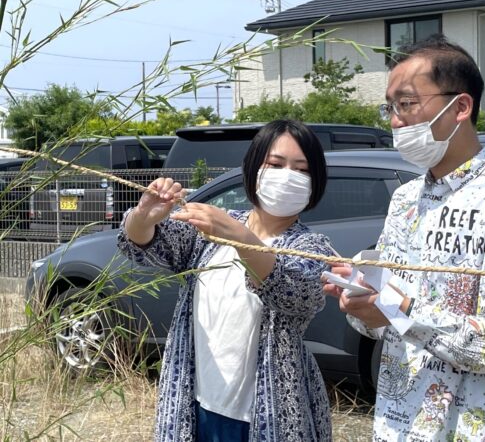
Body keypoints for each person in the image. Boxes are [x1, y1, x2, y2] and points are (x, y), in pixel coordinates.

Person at [323, 35, 485, 441]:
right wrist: (364, 307)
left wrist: (401, 310)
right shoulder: (405, 199)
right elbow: (390, 317)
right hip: (402, 425)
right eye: (390, 107)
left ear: (460, 107)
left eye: (407, 103)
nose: (396, 120)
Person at [118, 120, 334, 442]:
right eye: (275, 164)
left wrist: (236, 235)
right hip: (195, 406)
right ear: (252, 168)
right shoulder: (211, 232)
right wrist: (143, 217)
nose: (288, 176)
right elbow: (143, 245)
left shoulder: (311, 248)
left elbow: (294, 291)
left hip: (267, 415)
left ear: (315, 181)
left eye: (302, 170)